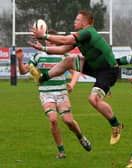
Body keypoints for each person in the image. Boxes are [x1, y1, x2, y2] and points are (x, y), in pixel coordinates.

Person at [29, 10, 123, 145]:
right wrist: (43, 49)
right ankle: (43, 78)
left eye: (77, 20)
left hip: (108, 70)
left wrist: (44, 36)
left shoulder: (88, 32)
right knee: (69, 61)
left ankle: (116, 124)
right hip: (95, 67)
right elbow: (62, 49)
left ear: (84, 22)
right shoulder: (81, 36)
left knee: (93, 99)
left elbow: (66, 39)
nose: (74, 21)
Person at [16, 29, 91, 159]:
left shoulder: (63, 55)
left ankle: (81, 137)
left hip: (61, 92)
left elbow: (76, 71)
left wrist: (72, 84)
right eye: (48, 40)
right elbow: (23, 71)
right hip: (46, 93)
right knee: (53, 119)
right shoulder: (38, 56)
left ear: (55, 42)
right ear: (46, 41)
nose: (50, 41)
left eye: (52, 40)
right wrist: (20, 60)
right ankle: (61, 151)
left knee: (68, 121)